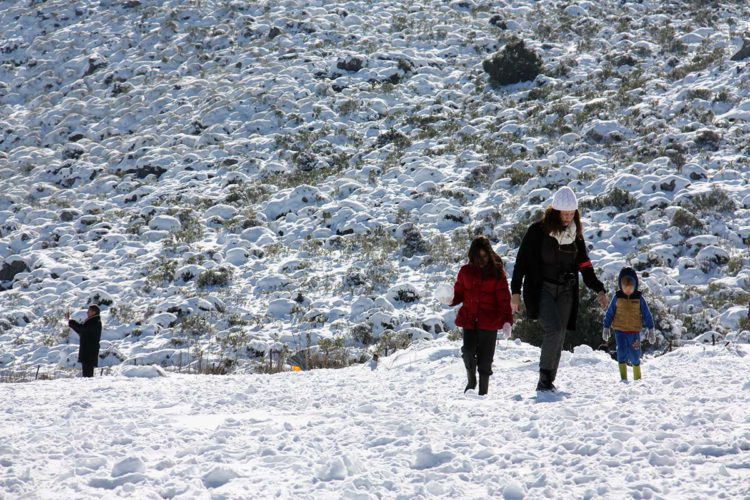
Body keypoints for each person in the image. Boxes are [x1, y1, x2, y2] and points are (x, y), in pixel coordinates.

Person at [510, 186, 608, 392]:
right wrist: (515, 293)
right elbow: (521, 263)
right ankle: (543, 381)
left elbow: (585, 265)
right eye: (565, 213)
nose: (568, 217)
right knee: (553, 329)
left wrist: (599, 289)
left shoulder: (575, 235)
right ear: (555, 212)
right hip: (541, 289)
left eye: (572, 214)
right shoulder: (537, 231)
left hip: (566, 291)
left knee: (561, 332)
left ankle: (549, 380)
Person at [440, 236, 513, 396]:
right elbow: (459, 294)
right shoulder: (465, 272)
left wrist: (507, 321)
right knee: (467, 351)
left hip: (490, 322)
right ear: (472, 255)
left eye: (484, 256)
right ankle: (471, 381)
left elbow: (504, 299)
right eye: (477, 257)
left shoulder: (497, 273)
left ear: (489, 254)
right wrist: (450, 299)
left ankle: (483, 394)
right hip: (469, 320)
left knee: (485, 361)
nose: (481, 260)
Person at [602, 267, 655, 381]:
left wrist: (651, 329)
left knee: (635, 355)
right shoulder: (617, 297)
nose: (628, 289)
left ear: (635, 284)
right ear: (621, 284)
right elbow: (610, 312)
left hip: (634, 332)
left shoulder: (639, 298)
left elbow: (647, 314)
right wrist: (606, 327)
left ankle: (637, 378)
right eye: (625, 286)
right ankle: (623, 378)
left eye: (630, 286)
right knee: (621, 352)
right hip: (620, 331)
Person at [65, 305, 102, 378]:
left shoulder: (95, 322)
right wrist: (70, 321)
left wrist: (71, 321)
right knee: (86, 372)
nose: (87, 312)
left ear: (94, 312)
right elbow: (81, 331)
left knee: (88, 374)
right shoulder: (91, 321)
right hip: (87, 350)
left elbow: (82, 329)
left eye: (89, 311)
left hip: (89, 351)